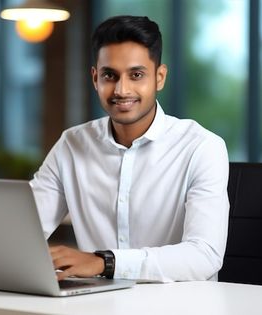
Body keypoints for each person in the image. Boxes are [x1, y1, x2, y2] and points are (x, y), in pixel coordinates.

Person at [30, 15, 229, 283]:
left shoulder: (202, 147)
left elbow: (204, 256)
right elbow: (23, 230)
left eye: (136, 75)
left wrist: (105, 262)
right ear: (94, 78)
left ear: (159, 77)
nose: (122, 90)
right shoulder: (72, 144)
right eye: (109, 75)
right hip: (96, 305)